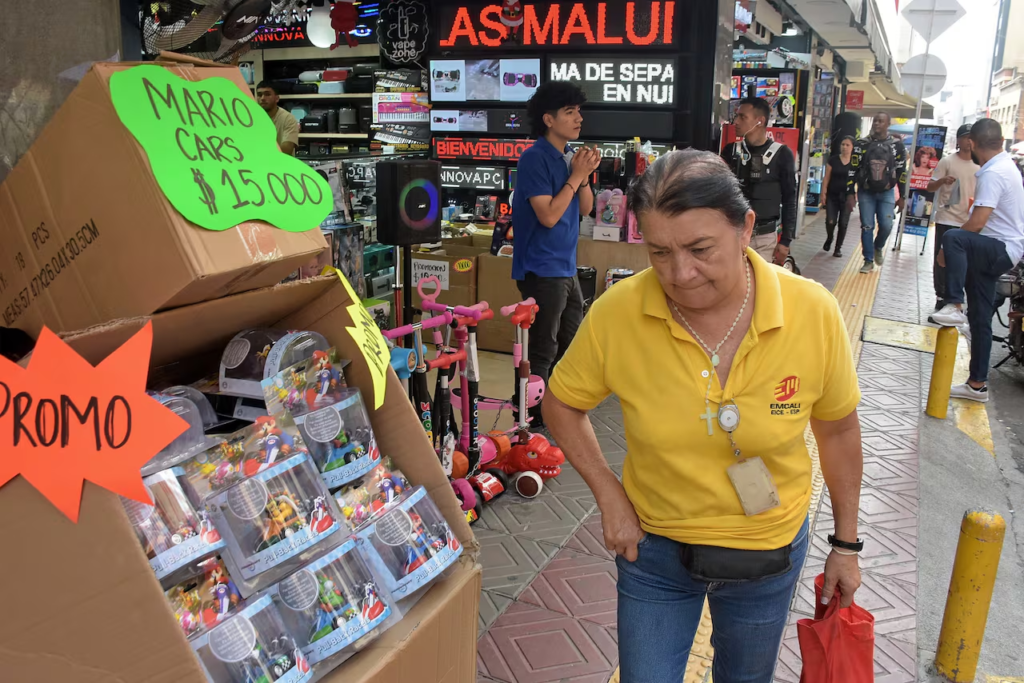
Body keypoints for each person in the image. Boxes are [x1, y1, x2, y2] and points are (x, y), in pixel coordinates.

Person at [543, 149, 864, 682]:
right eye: (659, 252)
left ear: (746, 229)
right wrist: (609, 496)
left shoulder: (812, 311)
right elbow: (561, 403)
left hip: (767, 551)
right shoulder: (619, 312)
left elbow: (838, 432)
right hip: (654, 552)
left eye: (699, 249)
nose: (680, 273)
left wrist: (846, 545)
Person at [511, 81, 601, 426]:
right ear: (549, 119)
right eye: (569, 112)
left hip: (565, 267)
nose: (579, 118)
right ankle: (529, 417)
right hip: (541, 268)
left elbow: (586, 209)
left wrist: (584, 176)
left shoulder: (568, 158)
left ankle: (555, 410)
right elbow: (548, 215)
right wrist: (576, 176)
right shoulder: (534, 158)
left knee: (570, 342)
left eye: (579, 111)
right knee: (542, 347)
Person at [932, 119, 1024, 402]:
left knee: (953, 236)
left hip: (999, 248)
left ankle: (954, 304)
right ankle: (977, 385)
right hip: (1000, 251)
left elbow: (977, 222)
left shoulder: (994, 172)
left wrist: (946, 249)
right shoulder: (1005, 166)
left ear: (971, 142)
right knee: (980, 317)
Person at [721, 98, 798, 266]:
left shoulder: (781, 154)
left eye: (742, 117)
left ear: (760, 121)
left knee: (760, 281)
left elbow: (789, 198)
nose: (736, 122)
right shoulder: (731, 152)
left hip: (764, 238)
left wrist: (786, 240)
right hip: (732, 234)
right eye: (736, 116)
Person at [927, 124, 979, 311]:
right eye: (965, 137)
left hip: (971, 221)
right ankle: (941, 296)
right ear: (958, 140)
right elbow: (930, 186)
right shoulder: (947, 162)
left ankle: (956, 297)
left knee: (965, 262)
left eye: (972, 137)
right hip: (947, 219)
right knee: (942, 259)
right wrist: (942, 181)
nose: (969, 141)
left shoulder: (981, 163)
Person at [851, 112, 908, 273]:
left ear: (888, 124)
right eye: (875, 121)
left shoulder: (897, 145)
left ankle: (878, 246)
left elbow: (902, 171)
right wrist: (850, 192)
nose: (877, 123)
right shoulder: (861, 144)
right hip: (865, 191)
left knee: (887, 224)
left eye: (881, 121)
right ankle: (868, 260)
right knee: (867, 226)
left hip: (887, 191)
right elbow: (853, 168)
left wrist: (903, 196)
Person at [819, 135, 858, 258]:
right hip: (832, 195)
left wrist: (856, 195)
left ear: (852, 147)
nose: (844, 147)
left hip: (848, 197)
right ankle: (829, 237)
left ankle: (838, 248)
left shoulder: (855, 162)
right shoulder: (833, 160)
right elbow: (826, 178)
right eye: (843, 144)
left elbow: (858, 180)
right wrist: (823, 192)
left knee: (843, 223)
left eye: (847, 145)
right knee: (830, 221)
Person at [255, 81, 299, 156]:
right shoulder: (250, 118)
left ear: (277, 98)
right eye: (259, 95)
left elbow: (286, 152)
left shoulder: (288, 119)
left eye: (267, 94)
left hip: (280, 163)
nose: (262, 98)